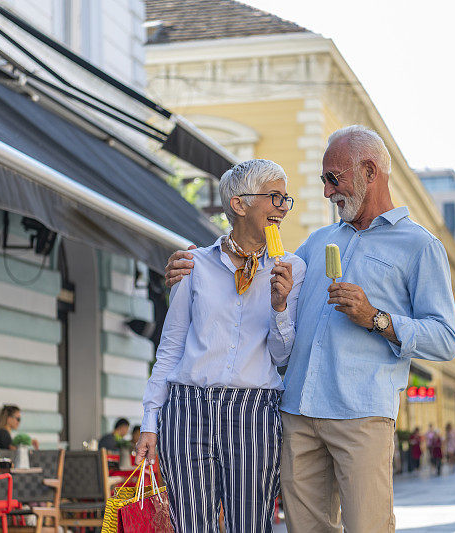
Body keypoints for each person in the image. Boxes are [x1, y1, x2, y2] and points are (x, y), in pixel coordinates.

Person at [164, 125, 455, 532]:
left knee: (367, 527)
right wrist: (196, 263)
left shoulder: (419, 245)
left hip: (360, 415)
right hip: (297, 412)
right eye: (324, 180)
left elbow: (446, 338)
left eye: (333, 178)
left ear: (370, 172)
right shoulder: (315, 243)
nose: (326, 191)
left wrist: (377, 318)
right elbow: (254, 288)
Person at [135, 159, 305, 533]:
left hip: (253, 411)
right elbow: (170, 348)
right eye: (274, 196)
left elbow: (282, 356)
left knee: (250, 525)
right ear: (240, 204)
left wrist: (280, 307)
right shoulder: (192, 264)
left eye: (285, 199)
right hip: (187, 407)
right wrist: (150, 421)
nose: (282, 207)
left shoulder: (292, 269)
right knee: (191, 525)